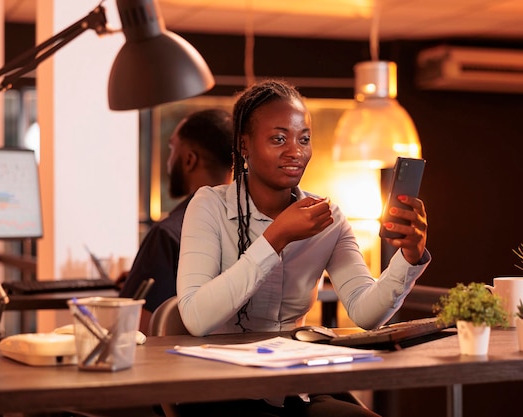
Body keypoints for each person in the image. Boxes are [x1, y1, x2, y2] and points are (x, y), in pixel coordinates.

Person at [176, 80, 430, 417]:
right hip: (221, 392)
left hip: (295, 390)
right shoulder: (209, 206)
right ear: (245, 145)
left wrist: (409, 257)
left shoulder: (329, 218)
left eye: (304, 139)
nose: (295, 151)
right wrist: (276, 238)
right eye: (279, 139)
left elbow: (366, 314)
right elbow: (195, 318)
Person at [119, 108, 233, 334]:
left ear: (190, 159)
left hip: (174, 364)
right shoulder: (250, 225)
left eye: (172, 148)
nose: (169, 160)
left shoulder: (167, 234)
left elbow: (132, 329)